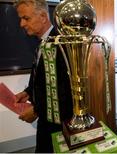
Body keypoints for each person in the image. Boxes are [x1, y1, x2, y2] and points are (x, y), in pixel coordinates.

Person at [14, 0, 73, 152]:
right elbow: (45, 77)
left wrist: (36, 110)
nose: (21, 24)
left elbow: (66, 88)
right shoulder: (41, 43)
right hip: (45, 118)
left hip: (59, 122)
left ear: (43, 16)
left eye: (26, 18)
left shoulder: (61, 43)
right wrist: (27, 92)